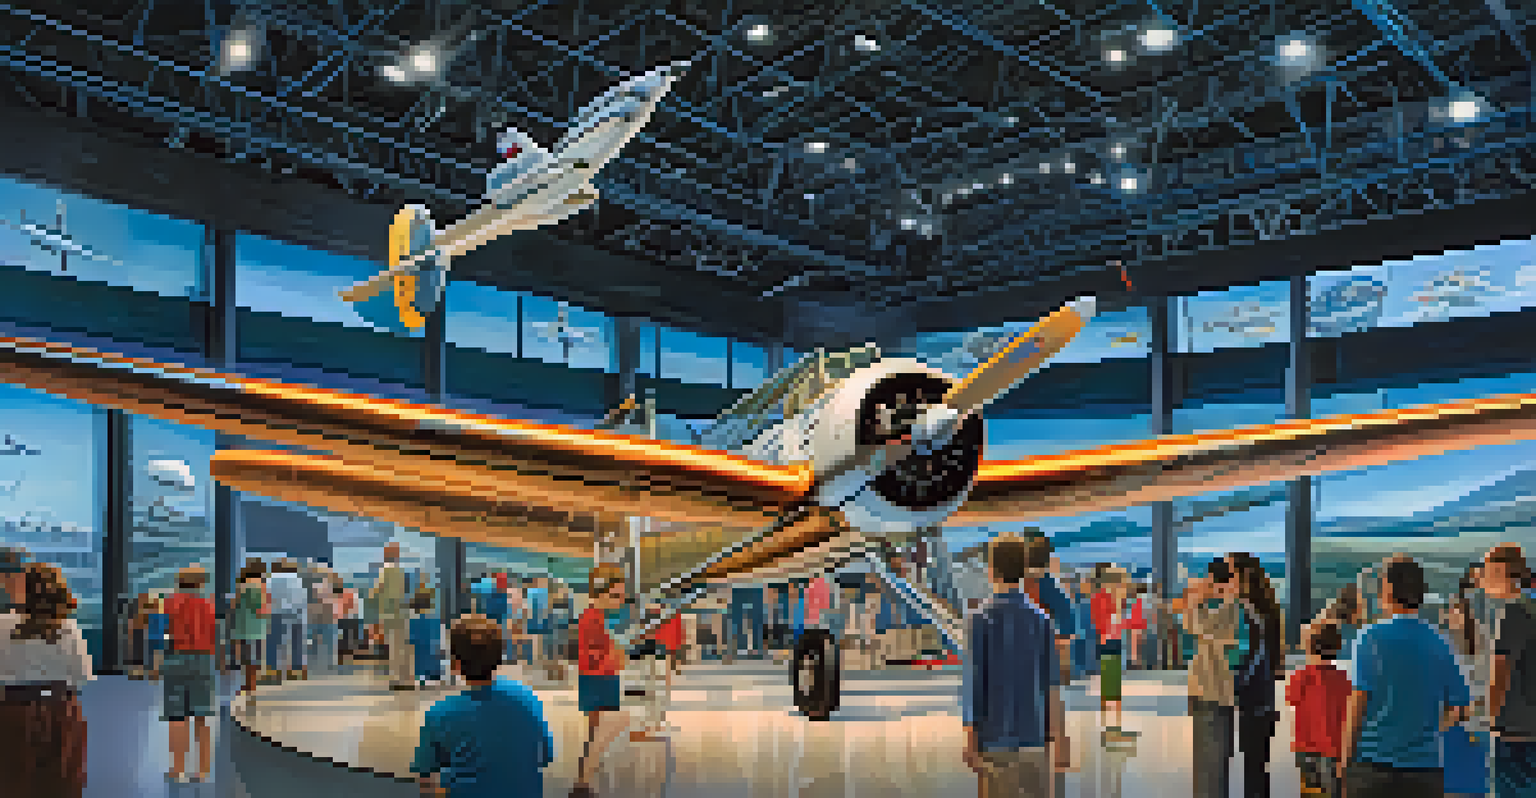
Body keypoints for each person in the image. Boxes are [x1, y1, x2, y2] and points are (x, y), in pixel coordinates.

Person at [1339, 554, 1472, 796]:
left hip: (1372, 767)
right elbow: (1459, 709)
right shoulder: (1440, 642)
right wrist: (1427, 732)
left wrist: (1345, 762)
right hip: (1425, 770)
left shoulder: (1370, 637)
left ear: (1388, 590)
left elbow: (1358, 702)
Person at [411, 615, 553, 798]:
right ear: (499, 659)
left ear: (455, 664)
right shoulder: (528, 700)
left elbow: (425, 777)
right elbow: (545, 756)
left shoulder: (440, 714)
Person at [961, 536, 1060, 796]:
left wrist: (970, 738)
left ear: (991, 570)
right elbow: (1051, 684)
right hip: (1034, 737)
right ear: (1024, 570)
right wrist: (1057, 738)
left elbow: (973, 683)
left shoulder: (979, 619)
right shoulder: (1042, 620)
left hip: (993, 739)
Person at [0, 561, 92, 796]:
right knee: (62, 784)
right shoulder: (69, 628)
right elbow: (83, 675)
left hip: (12, 711)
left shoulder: (3, 625)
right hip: (61, 710)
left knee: (13, 782)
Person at [1171, 559, 1241, 798]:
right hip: (1211, 692)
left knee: (1209, 766)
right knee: (1210, 764)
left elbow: (1195, 626)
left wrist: (1194, 598)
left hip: (1213, 693)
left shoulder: (1231, 609)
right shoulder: (1227, 609)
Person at [572, 564, 631, 798]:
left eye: (621, 595)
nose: (619, 601)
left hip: (599, 678)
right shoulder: (592, 618)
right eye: (615, 595)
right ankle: (583, 783)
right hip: (599, 679)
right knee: (600, 732)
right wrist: (616, 654)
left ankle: (585, 781)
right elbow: (594, 656)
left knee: (596, 732)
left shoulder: (594, 616)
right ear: (601, 593)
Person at [1484, 544, 1536, 797]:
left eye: (1488, 574)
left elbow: (1500, 673)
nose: (1483, 581)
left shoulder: (1512, 612)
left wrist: (1490, 720)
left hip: (1515, 733)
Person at [163, 565, 219, 783]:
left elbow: (162, 635)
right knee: (201, 716)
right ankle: (202, 771)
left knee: (177, 716)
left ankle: (178, 770)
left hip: (176, 658)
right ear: (201, 583)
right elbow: (215, 635)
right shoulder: (209, 605)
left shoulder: (169, 603)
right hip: (203, 660)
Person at [1289, 623, 1352, 797]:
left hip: (1305, 748)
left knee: (1310, 793)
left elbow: (1292, 699)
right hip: (1334, 750)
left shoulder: (1300, 676)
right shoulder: (1343, 679)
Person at [375, 544, 414, 690]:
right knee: (403, 647)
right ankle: (407, 679)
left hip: (389, 614)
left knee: (394, 647)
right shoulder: (401, 571)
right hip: (401, 613)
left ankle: (397, 679)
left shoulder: (385, 570)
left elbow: (378, 592)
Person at [1091, 569, 1125, 730]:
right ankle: (1109, 706)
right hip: (1108, 638)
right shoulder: (1106, 598)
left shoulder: (1109, 597)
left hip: (1111, 637)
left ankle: (1111, 706)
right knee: (1109, 669)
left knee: (1111, 670)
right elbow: (1102, 619)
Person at [231, 559, 270, 694]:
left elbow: (233, 605)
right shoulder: (261, 586)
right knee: (254, 657)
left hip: (241, 626)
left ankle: (245, 684)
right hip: (257, 626)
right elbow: (262, 608)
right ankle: (251, 684)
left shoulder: (240, 586)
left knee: (244, 658)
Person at [266, 559, 309, 681]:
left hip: (276, 613)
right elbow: (302, 598)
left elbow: (268, 596)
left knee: (273, 643)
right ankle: (296, 670)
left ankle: (273, 670)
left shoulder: (272, 578)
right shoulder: (297, 579)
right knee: (296, 643)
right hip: (296, 614)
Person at [409, 586, 445, 687]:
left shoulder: (414, 621)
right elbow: (440, 639)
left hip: (420, 665)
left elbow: (411, 640)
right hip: (435, 666)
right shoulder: (435, 619)